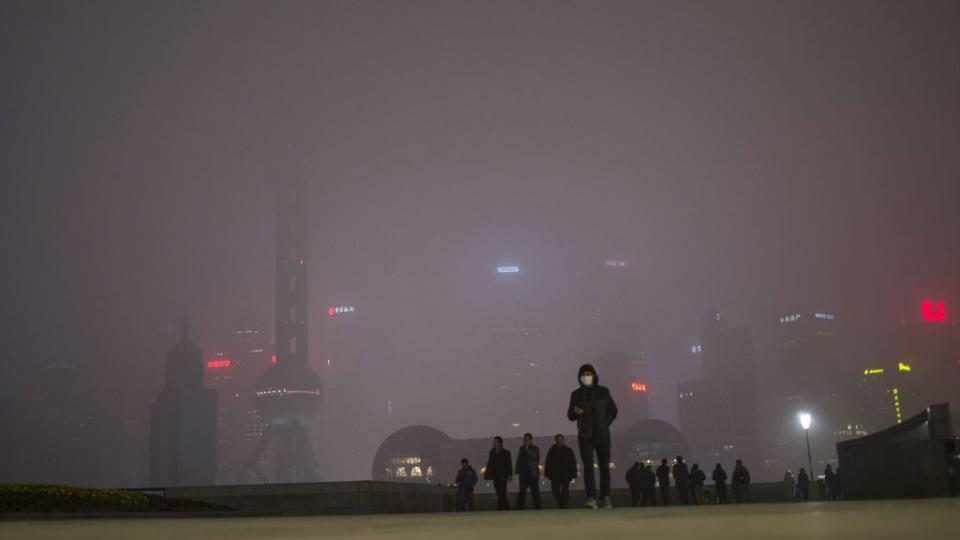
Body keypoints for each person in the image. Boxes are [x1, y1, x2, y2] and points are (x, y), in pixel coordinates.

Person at [567, 363, 618, 509]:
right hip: (585, 435)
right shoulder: (576, 394)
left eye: (589, 375)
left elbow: (613, 411)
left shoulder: (603, 391)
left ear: (594, 376)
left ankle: (605, 496)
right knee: (588, 467)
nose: (586, 378)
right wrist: (575, 413)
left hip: (602, 434)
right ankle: (591, 497)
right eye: (583, 375)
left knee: (604, 466)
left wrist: (604, 423)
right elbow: (570, 415)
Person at [544, 433, 578, 509]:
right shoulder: (552, 450)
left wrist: (573, 473)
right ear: (556, 440)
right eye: (558, 439)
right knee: (555, 491)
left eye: (561, 439)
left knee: (565, 491)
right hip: (555, 474)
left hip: (566, 474)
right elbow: (548, 462)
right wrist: (548, 473)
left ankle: (563, 505)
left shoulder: (568, 450)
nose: (560, 441)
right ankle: (562, 504)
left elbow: (572, 462)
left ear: (563, 440)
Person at [484, 436, 513, 510]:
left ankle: (500, 509)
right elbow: (490, 463)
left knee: (502, 493)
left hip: (503, 475)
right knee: (499, 493)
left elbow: (509, 464)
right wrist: (488, 474)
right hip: (495, 476)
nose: (494, 443)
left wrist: (510, 474)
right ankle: (507, 508)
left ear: (500, 443)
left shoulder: (506, 453)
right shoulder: (492, 452)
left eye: (495, 442)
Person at [514, 433, 542, 510]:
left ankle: (537, 507)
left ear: (530, 439)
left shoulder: (535, 448)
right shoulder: (521, 448)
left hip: (532, 473)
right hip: (523, 474)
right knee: (522, 491)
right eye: (524, 439)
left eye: (527, 439)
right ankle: (520, 506)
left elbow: (535, 457)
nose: (525, 440)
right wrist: (516, 470)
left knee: (535, 491)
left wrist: (528, 450)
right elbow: (518, 459)